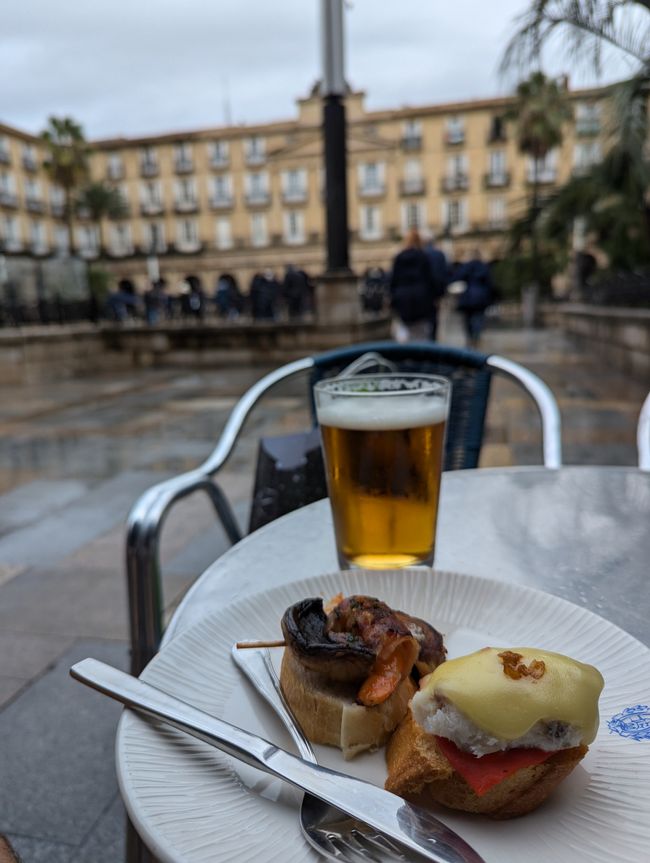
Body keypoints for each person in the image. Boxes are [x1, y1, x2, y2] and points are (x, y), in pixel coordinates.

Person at [388, 228, 437, 342]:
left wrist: (393, 298)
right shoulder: (424, 257)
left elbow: (393, 281)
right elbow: (430, 279)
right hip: (422, 299)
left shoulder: (399, 257)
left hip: (402, 299)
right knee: (421, 336)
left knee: (404, 334)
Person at [453, 250, 494, 348]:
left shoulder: (465, 267)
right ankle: (476, 337)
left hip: (467, 297)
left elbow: (457, 278)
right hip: (480, 297)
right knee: (478, 318)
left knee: (468, 319)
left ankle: (470, 338)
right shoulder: (484, 267)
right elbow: (490, 284)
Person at [422, 235, 449, 340]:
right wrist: (442, 292)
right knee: (434, 317)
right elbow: (443, 274)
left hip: (423, 292)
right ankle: (432, 339)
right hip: (435, 291)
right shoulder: (439, 254)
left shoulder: (422, 254)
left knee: (424, 318)